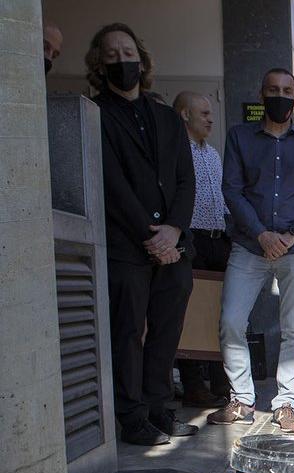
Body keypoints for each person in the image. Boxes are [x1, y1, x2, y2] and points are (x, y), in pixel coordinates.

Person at [89, 23, 197, 447]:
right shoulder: (95, 114)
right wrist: (151, 237)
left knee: (167, 332)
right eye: (112, 55)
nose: (122, 61)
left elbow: (185, 181)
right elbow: (111, 184)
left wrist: (173, 230)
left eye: (128, 52)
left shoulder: (167, 117)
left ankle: (158, 409)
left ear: (142, 59)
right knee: (128, 333)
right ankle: (131, 417)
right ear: (100, 64)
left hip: (173, 246)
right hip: (127, 248)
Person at [207, 68, 294, 433]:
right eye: (273, 89)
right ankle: (242, 399)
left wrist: (291, 235)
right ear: (262, 95)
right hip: (249, 247)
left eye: (287, 91)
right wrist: (261, 235)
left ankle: (285, 404)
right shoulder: (240, 137)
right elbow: (232, 189)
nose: (280, 95)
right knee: (231, 322)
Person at [172, 91, 232, 408]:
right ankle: (194, 385)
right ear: (185, 114)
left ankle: (221, 382)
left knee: (217, 311)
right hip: (190, 237)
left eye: (211, 113)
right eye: (204, 114)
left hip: (217, 237)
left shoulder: (212, 154)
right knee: (191, 312)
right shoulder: (174, 152)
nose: (210, 119)